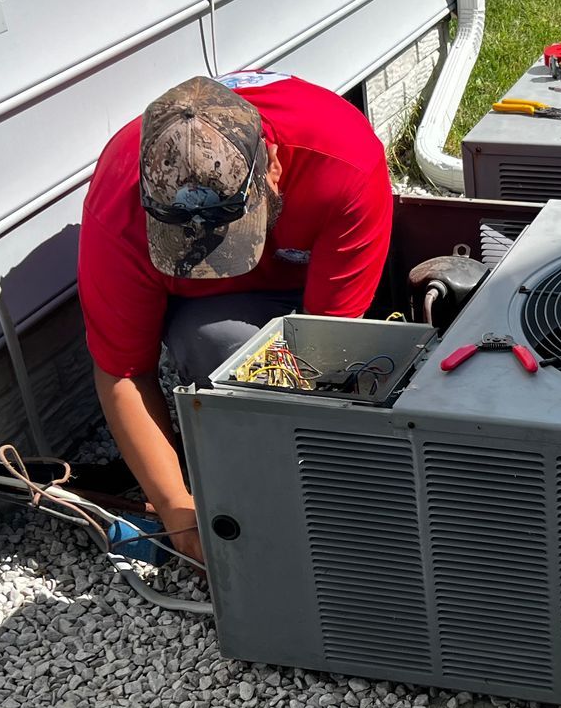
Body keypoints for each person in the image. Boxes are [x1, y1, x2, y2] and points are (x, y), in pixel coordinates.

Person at [77, 71, 393, 563]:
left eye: (229, 234)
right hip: (213, 314)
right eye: (187, 244)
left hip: (308, 289)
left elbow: (330, 348)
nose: (210, 255)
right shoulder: (118, 203)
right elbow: (123, 372)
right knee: (213, 342)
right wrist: (178, 511)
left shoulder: (343, 161)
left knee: (326, 397)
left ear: (273, 170)